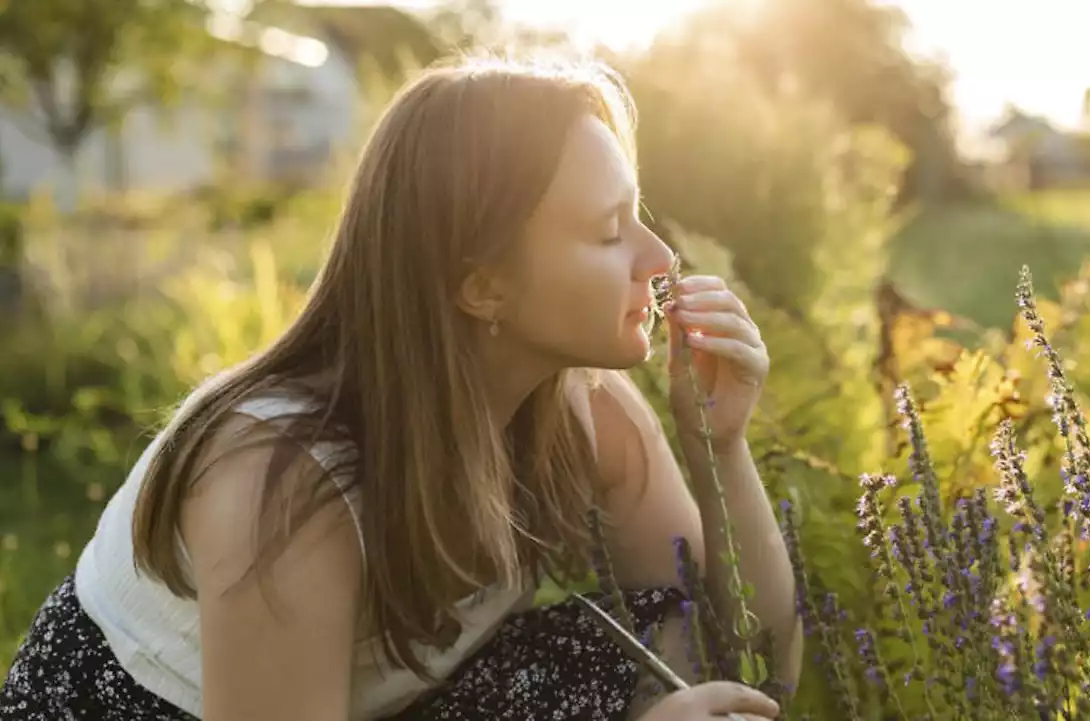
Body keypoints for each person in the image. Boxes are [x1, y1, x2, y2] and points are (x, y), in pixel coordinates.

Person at [0, 54, 801, 720]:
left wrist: (717, 449)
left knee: (663, 657)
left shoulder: (586, 410)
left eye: (640, 216)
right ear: (480, 286)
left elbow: (755, 665)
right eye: (606, 230)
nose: (659, 259)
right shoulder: (283, 485)